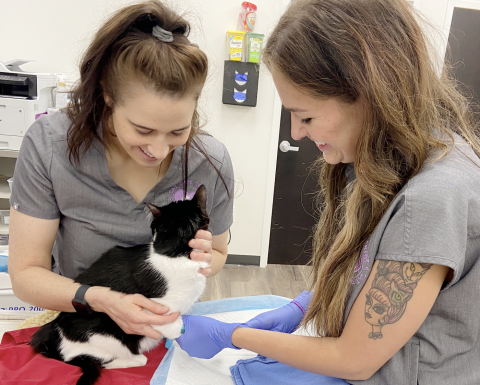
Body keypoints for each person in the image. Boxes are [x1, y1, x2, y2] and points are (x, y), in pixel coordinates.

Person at [176, 0, 480, 384]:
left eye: (306, 116)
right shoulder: (386, 157)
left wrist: (232, 336)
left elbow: (355, 359)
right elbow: (372, 262)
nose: (296, 133)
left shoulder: (435, 196)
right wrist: (307, 303)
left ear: (369, 93)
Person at [8, 1, 234, 341]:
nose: (158, 151)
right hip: (85, 322)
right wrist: (99, 299)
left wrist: (200, 259)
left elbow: (216, 253)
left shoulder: (210, 160)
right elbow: (26, 274)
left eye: (177, 132)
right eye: (142, 131)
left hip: (167, 324)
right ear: (108, 96)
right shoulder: (51, 145)